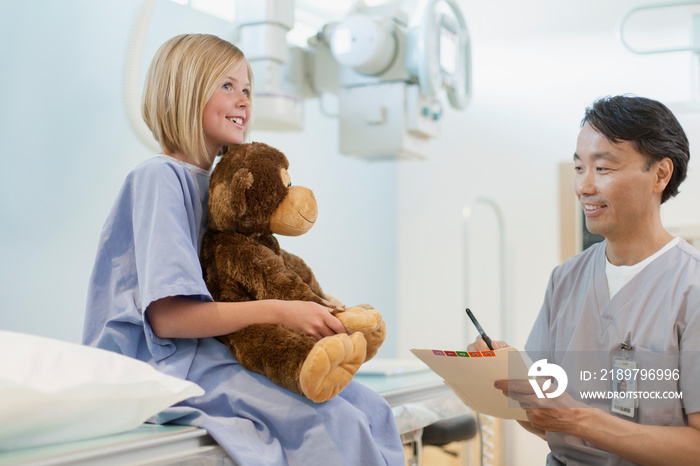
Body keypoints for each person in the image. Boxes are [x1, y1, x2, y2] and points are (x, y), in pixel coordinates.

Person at [82, 33, 404, 465]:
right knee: (332, 423)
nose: (244, 101)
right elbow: (168, 318)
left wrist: (309, 305)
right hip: (165, 363)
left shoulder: (219, 188)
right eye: (227, 86)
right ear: (185, 90)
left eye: (248, 89)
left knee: (371, 410)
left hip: (211, 350)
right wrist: (280, 311)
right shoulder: (160, 178)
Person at [470, 95, 700, 464]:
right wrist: (507, 380)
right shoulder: (566, 279)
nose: (584, 187)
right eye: (579, 169)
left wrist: (580, 420)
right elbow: (548, 422)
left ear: (660, 174)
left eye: (603, 169)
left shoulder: (691, 288)